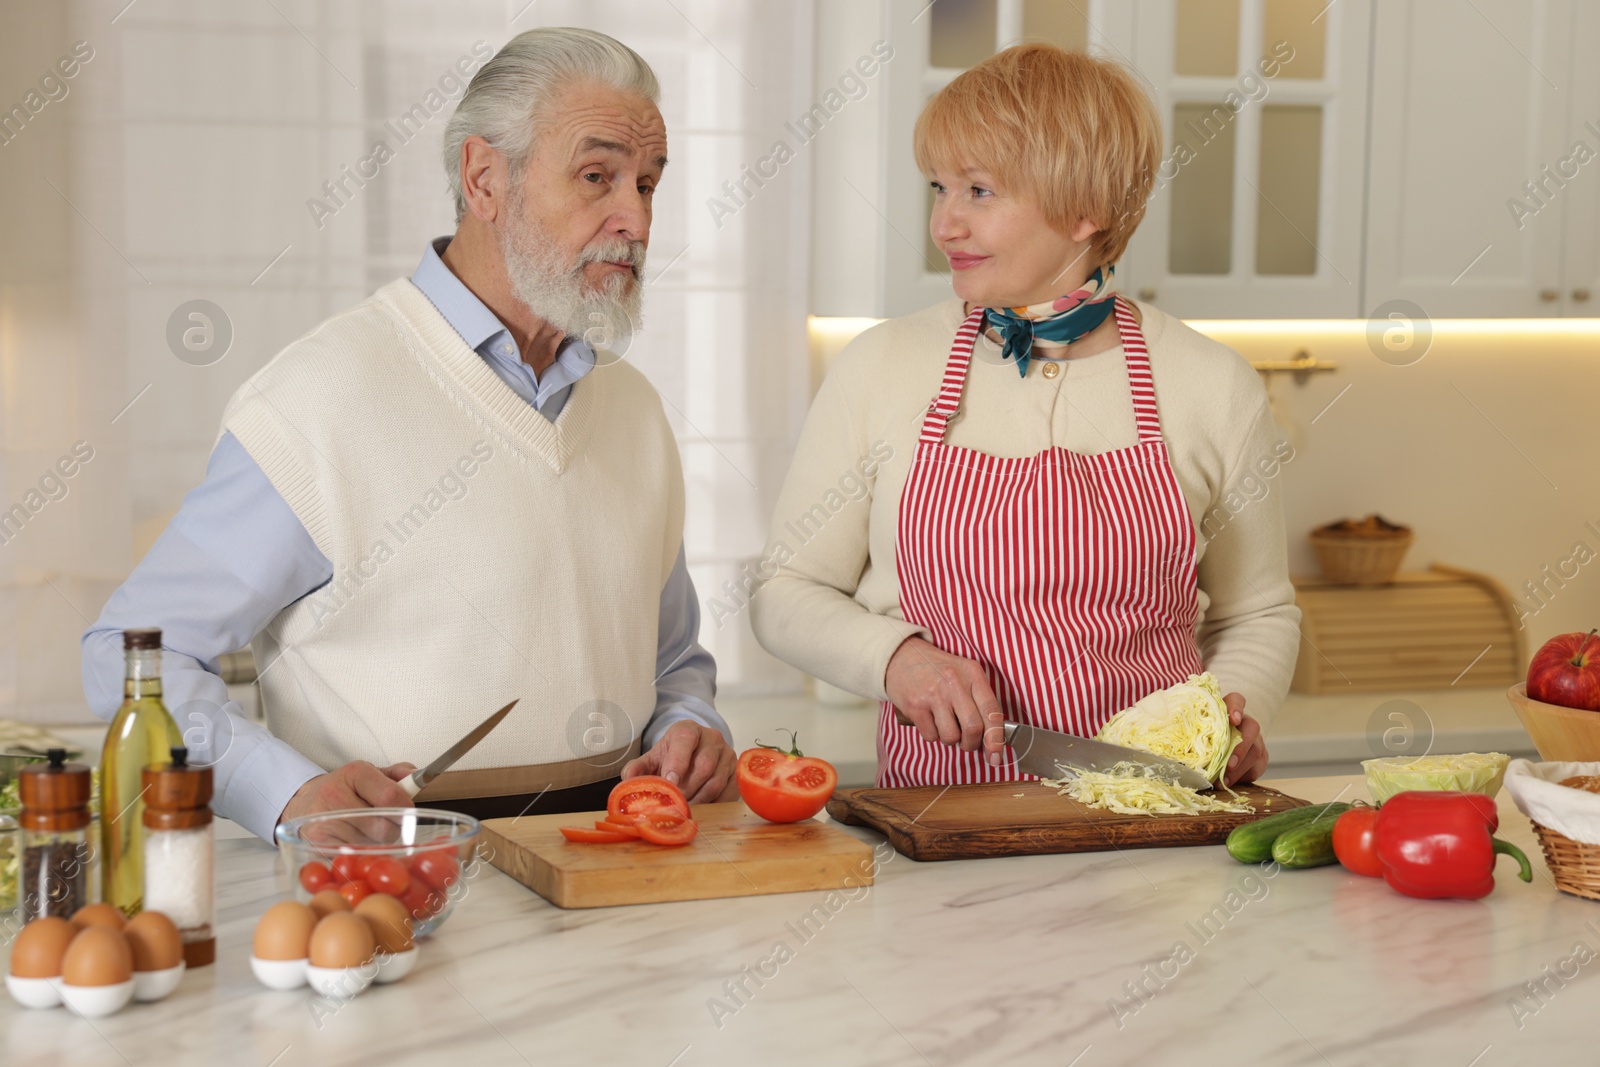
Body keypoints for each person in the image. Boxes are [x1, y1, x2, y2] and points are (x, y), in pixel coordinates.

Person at [81, 28, 737, 844]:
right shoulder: (318, 397)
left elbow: (672, 659)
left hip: (621, 869)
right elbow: (127, 657)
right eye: (597, 177)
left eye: (648, 183)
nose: (635, 219)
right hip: (397, 889)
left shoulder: (635, 410)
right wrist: (286, 793)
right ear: (484, 178)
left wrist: (692, 720)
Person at [751, 44, 1299, 789]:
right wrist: (896, 660)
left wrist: (1226, 715)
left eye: (979, 191)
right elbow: (784, 591)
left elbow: (1259, 611)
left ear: (1087, 210)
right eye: (939, 187)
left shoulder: (1212, 384)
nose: (944, 223)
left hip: (1158, 834)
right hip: (942, 831)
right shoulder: (881, 367)